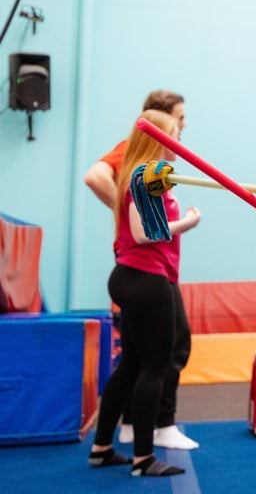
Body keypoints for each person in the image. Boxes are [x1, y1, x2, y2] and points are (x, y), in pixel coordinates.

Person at [88, 109, 201, 477]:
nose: (177, 145)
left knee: (133, 365)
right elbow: (145, 233)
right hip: (144, 278)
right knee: (156, 366)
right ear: (156, 141)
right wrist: (188, 221)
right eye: (172, 137)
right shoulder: (143, 177)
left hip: (137, 276)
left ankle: (102, 448)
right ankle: (143, 458)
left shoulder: (149, 177)